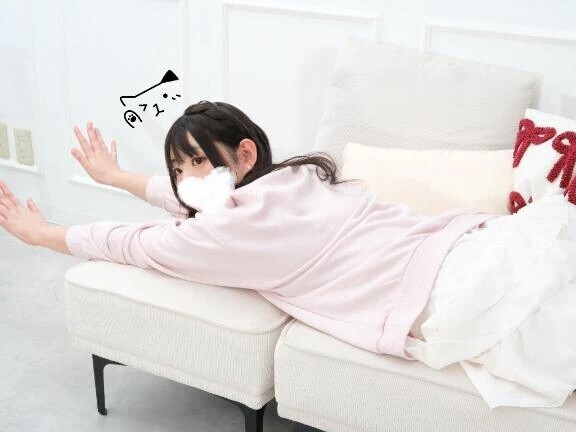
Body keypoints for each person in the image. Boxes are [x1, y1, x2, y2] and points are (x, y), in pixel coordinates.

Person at [0, 100, 501, 361]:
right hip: (457, 245)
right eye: (177, 169)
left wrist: (44, 234)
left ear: (244, 154)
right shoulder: (294, 177)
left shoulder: (227, 232)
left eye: (197, 161)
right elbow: (194, 198)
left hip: (447, 283)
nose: (185, 179)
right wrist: (115, 177)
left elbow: (132, 242)